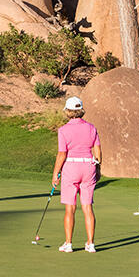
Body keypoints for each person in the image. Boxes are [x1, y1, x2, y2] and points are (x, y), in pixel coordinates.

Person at [51, 96, 101, 252]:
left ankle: (68, 243)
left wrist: (55, 174)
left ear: (68, 111)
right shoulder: (92, 128)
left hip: (71, 168)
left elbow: (61, 154)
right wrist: (98, 169)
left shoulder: (63, 130)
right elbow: (98, 151)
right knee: (87, 207)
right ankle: (90, 244)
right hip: (88, 167)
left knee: (70, 209)